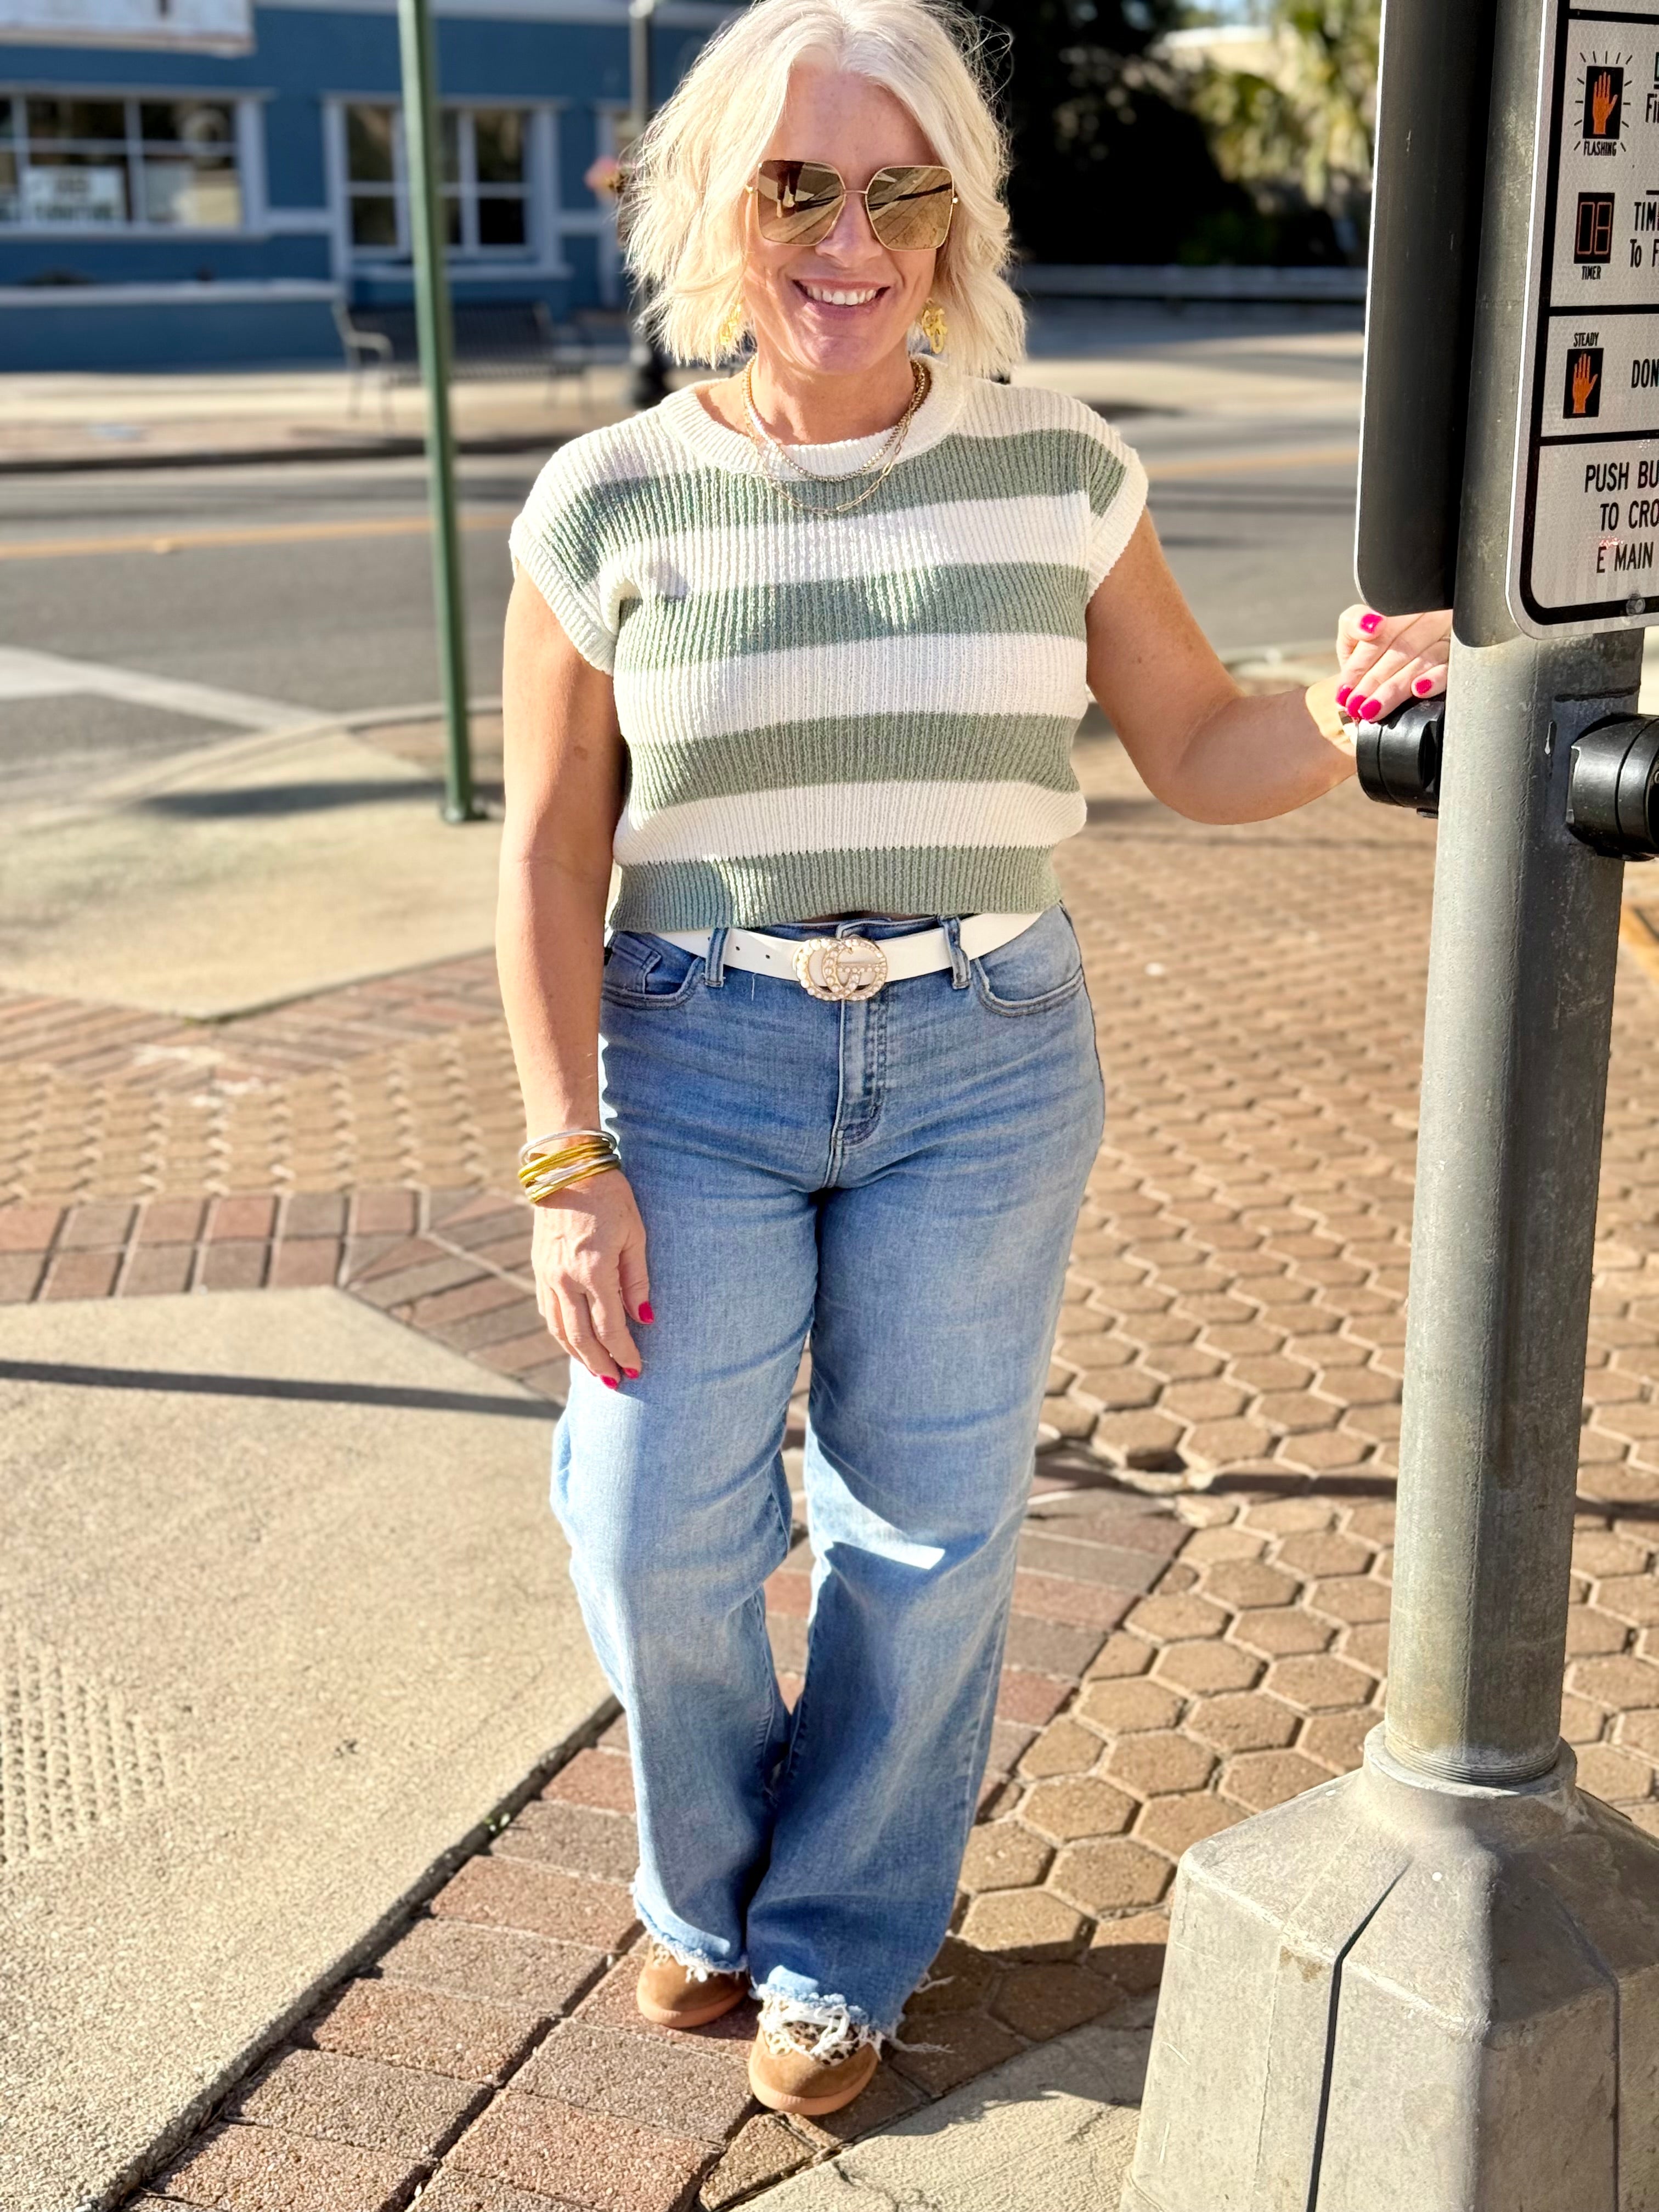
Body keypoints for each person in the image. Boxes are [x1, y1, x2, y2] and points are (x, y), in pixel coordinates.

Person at [497, 0, 1449, 2121]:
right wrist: (567, 1154)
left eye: (900, 190)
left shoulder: (1057, 465)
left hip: (987, 1054)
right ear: (714, 211)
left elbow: (1198, 745)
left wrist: (1369, 705)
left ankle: (836, 1941)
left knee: (923, 1533)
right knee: (653, 1527)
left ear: (956, 220)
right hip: (692, 1057)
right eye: (797, 188)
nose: (852, 237)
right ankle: (698, 1882)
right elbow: (553, 844)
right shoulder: (609, 499)